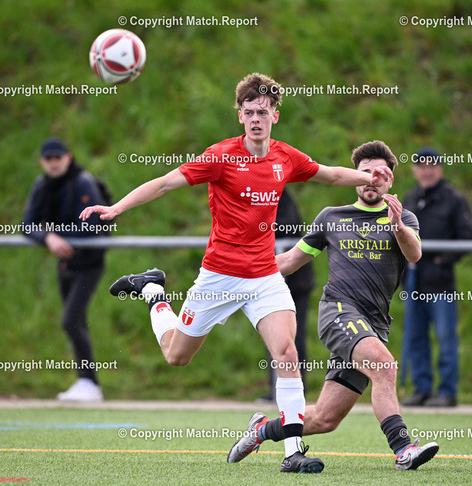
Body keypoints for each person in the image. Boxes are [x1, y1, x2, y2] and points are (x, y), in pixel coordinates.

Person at [79, 73, 391, 473]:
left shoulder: (285, 158)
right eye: (249, 112)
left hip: (263, 276)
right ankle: (153, 292)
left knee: (287, 353)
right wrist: (117, 208)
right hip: (219, 276)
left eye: (263, 111)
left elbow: (330, 174)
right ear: (240, 115)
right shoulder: (221, 156)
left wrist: (368, 178)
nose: (256, 118)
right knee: (176, 356)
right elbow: (165, 183)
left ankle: (293, 452)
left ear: (275, 115)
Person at [227, 140, 439, 471]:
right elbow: (289, 261)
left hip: (373, 325)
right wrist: (239, 270)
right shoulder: (332, 217)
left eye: (380, 174)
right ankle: (404, 450)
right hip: (338, 312)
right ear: (354, 177)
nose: (372, 180)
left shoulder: (403, 217)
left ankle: (261, 430)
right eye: (365, 173)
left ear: (390, 181)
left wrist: (397, 225)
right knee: (385, 366)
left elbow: (414, 255)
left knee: (325, 418)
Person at [22, 137, 108, 401]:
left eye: (57, 158)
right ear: (42, 162)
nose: (53, 163)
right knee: (76, 322)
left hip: (89, 263)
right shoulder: (41, 186)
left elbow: (94, 225)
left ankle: (89, 382)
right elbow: (28, 224)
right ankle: (87, 382)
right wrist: (48, 237)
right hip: (65, 263)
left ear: (68, 158)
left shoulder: (83, 183)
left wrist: (61, 237)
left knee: (70, 321)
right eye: (48, 159)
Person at [400, 148, 472, 407]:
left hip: (441, 281)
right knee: (416, 336)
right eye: (422, 166)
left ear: (440, 169)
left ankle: (447, 391)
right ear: (415, 171)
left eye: (431, 166)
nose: (427, 171)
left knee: (445, 337)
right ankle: (421, 388)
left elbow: (467, 237)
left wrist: (442, 260)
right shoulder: (410, 199)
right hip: (413, 281)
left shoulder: (454, 200)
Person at [260, 188, 315, 402]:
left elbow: (287, 230)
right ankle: (277, 389)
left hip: (293, 282)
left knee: (293, 338)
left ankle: (296, 391)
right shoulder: (258, 192)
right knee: (272, 336)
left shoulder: (277, 193)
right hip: (270, 280)